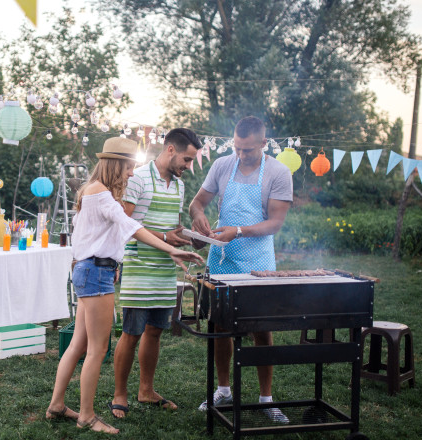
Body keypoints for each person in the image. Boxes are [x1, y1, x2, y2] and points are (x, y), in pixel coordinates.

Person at [45, 137, 205, 434]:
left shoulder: (91, 192)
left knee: (79, 344)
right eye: (129, 167)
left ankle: (56, 404)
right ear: (116, 164)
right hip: (96, 273)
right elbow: (132, 227)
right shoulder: (102, 195)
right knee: (96, 349)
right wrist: (171, 248)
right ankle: (87, 416)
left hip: (88, 269)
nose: (132, 173)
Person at [188, 116, 293, 423]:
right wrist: (198, 218)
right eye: (237, 148)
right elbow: (198, 202)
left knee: (262, 331)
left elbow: (275, 223)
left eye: (248, 150)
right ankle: (223, 390)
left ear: (263, 143)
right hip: (220, 261)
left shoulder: (279, 172)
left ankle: (266, 398)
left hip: (258, 263)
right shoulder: (222, 165)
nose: (241, 155)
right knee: (220, 327)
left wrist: (238, 230)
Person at [108, 128, 203, 419]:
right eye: (186, 159)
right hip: (138, 268)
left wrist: (183, 243)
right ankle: (119, 394)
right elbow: (124, 225)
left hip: (163, 269)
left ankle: (146, 390)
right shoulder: (136, 178)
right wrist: (164, 236)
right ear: (170, 149)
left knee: (155, 332)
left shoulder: (178, 186)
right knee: (131, 333)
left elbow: (171, 229)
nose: (188, 166)